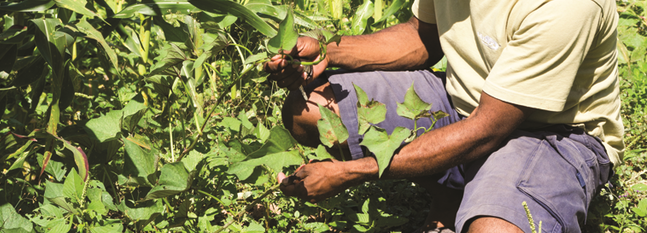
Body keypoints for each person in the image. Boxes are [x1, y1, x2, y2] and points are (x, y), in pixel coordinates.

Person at [264, 0, 624, 232]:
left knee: (495, 230)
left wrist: (352, 173)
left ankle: (482, 199)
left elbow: (488, 130)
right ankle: (454, 191)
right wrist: (328, 49)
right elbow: (422, 38)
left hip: (552, 134)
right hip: (462, 100)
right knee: (310, 108)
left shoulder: (566, 7)